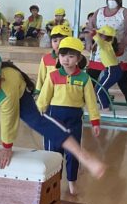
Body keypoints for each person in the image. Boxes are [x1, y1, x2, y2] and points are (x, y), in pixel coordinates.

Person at [0, 48, 105, 178]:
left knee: (38, 122)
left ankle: (82, 155)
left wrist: (6, 147)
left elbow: (8, 118)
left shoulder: (8, 84)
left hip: (17, 96)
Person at [36, 36, 106, 194]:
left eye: (71, 56)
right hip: (53, 117)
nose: (66, 60)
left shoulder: (84, 78)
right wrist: (37, 114)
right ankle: (53, 183)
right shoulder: (53, 76)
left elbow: (91, 102)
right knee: (52, 154)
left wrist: (95, 121)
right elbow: (43, 98)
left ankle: (72, 182)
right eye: (62, 55)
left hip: (74, 119)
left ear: (78, 59)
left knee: (73, 153)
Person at [88, 0, 127, 108]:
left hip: (117, 51)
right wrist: (89, 42)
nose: (111, 0)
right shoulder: (99, 12)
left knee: (123, 77)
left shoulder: (126, 13)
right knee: (91, 76)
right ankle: (82, 99)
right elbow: (90, 28)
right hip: (99, 51)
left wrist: (122, 45)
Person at [91, 25, 122, 110]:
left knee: (99, 90)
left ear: (106, 37)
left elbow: (99, 40)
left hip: (112, 71)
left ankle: (105, 107)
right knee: (102, 88)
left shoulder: (105, 44)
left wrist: (94, 34)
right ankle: (107, 105)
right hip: (112, 70)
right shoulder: (107, 44)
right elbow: (99, 41)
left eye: (101, 34)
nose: (99, 36)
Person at [37, 25, 71, 93]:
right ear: (51, 42)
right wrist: (38, 91)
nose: (58, 43)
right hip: (49, 92)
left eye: (62, 40)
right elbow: (41, 78)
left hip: (67, 93)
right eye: (55, 41)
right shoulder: (46, 59)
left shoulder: (73, 59)